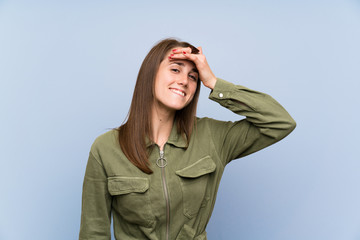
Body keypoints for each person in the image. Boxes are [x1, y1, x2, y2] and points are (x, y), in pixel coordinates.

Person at [79, 38, 296, 240]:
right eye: (175, 69)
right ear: (150, 74)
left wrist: (213, 82)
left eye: (193, 76)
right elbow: (93, 232)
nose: (184, 81)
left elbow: (280, 122)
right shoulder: (105, 148)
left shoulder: (213, 137)